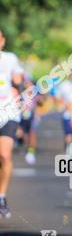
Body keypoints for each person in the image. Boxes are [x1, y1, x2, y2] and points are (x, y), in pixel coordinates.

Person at [0, 30, 24, 218]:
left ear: (2, 41)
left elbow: (18, 80)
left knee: (4, 155)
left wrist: (19, 86)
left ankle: (1, 196)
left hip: (8, 113)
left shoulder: (10, 58)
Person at [56, 69, 72, 149]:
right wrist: (64, 105)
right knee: (68, 134)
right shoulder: (64, 85)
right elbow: (58, 97)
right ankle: (68, 149)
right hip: (67, 114)